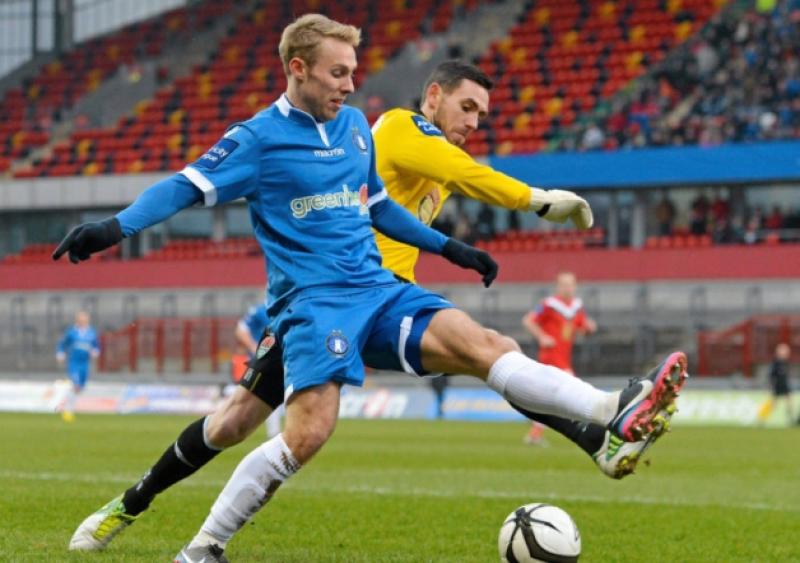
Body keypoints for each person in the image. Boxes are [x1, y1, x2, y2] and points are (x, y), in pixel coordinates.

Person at [60, 17, 687, 559]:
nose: (350, 84)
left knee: (484, 343)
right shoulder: (258, 139)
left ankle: (612, 410)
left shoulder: (357, 127)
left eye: (353, 71)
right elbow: (182, 186)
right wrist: (114, 227)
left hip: (379, 288)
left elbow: (380, 206)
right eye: (337, 73)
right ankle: (159, 522)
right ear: (299, 69)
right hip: (313, 303)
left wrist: (451, 248)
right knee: (250, 427)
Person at [521, 272, 597, 446]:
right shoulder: (549, 305)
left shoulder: (576, 307)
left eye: (570, 284)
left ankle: (535, 431)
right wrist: (542, 336)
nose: (567, 288)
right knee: (575, 390)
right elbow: (528, 321)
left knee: (548, 399)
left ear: (575, 286)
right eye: (564, 284)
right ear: (557, 286)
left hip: (564, 357)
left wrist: (589, 328)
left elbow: (581, 327)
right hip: (551, 357)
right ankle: (589, 429)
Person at [231, 303, 282, 439]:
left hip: (285, 359)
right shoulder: (260, 311)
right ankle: (274, 433)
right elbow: (240, 329)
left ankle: (278, 433)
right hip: (264, 362)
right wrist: (254, 347)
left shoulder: (290, 307)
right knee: (261, 394)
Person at [55, 311, 100, 422]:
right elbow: (62, 344)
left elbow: (96, 346)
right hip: (74, 363)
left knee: (80, 388)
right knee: (76, 385)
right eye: (81, 319)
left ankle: (66, 406)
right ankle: (67, 410)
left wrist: (95, 351)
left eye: (85, 319)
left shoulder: (91, 333)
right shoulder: (71, 332)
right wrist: (60, 353)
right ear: (77, 320)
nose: (83, 321)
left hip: (85, 364)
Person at [758, 342, 796, 426]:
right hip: (777, 385)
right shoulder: (775, 363)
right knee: (773, 404)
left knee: (789, 403)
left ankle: (792, 420)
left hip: (785, 385)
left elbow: (786, 375)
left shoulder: (785, 362)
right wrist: (771, 386)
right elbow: (771, 375)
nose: (786, 353)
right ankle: (761, 418)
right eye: (784, 351)